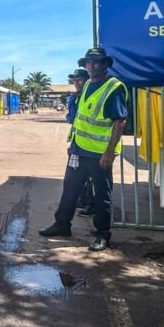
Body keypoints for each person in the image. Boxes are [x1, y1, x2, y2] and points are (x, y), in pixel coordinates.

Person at [39, 46, 127, 252]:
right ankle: (62, 224)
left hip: (99, 153)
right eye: (88, 62)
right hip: (79, 150)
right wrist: (73, 144)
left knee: (101, 194)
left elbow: (120, 121)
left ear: (105, 64)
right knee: (70, 188)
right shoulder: (88, 85)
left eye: (96, 62)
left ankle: (102, 234)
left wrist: (109, 152)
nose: (91, 65)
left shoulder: (113, 87)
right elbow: (80, 119)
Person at [66, 68, 96, 218]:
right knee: (76, 175)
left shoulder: (90, 97)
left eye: (79, 80)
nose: (76, 83)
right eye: (74, 80)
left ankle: (92, 204)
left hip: (91, 144)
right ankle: (84, 200)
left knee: (90, 176)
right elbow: (72, 118)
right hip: (77, 143)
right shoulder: (75, 98)